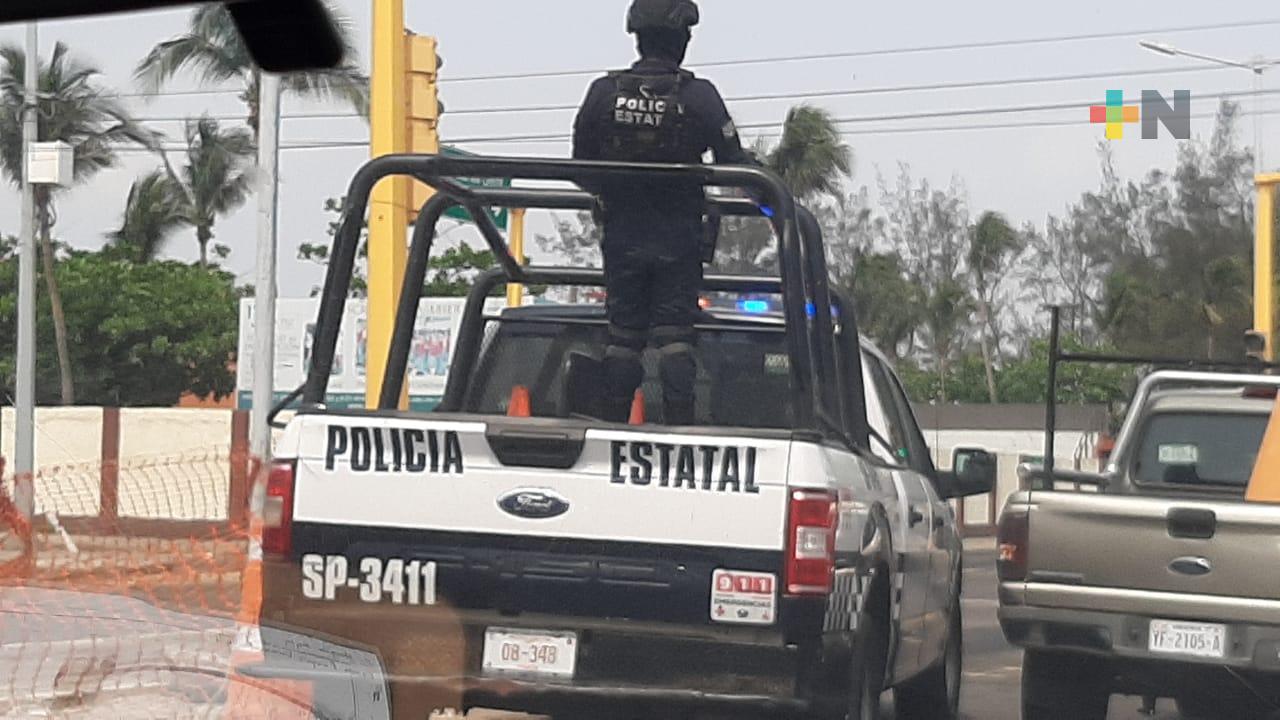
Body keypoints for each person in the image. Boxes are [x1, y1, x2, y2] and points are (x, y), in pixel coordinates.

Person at [572, 0, 754, 425]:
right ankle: (680, 435)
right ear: (682, 39)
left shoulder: (603, 92)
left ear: (637, 37)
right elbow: (733, 160)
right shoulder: (698, 96)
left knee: (622, 339)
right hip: (678, 239)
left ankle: (612, 431)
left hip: (622, 238)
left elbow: (581, 165)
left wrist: (621, 191)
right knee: (675, 340)